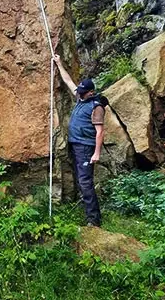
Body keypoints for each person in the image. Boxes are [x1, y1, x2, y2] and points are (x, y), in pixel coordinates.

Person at [53, 54, 105, 227]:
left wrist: (96, 153)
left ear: (91, 92)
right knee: (80, 179)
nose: (80, 94)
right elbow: (68, 81)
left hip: (86, 147)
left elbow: (100, 131)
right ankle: (88, 212)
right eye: (79, 92)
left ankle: (93, 220)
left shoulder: (95, 106)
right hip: (75, 144)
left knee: (85, 181)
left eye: (83, 92)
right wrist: (59, 63)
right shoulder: (81, 98)